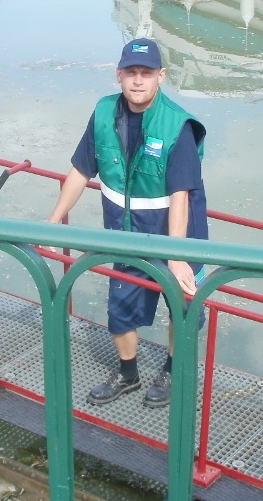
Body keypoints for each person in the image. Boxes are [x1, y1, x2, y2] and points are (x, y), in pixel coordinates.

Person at [46, 37, 208, 408]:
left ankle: (172, 368)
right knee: (120, 309)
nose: (138, 81)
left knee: (182, 307)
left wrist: (177, 255)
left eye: (146, 74)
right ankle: (128, 374)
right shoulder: (104, 114)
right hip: (128, 232)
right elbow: (80, 169)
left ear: (161, 77)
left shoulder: (177, 126)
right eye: (131, 73)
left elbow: (180, 196)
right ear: (118, 75)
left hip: (179, 233)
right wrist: (54, 220)